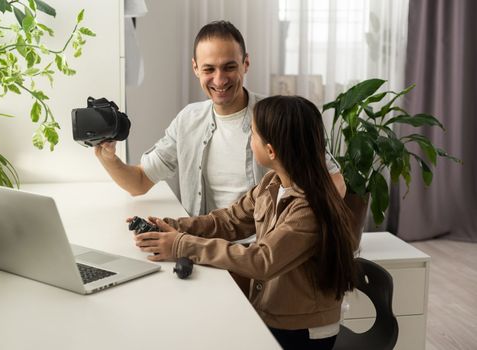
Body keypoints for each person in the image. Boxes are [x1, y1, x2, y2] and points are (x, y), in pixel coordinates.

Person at [133, 95, 359, 350]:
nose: (250, 141)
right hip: (274, 312)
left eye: (252, 135)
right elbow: (230, 220)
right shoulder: (272, 184)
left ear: (271, 150)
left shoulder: (309, 208)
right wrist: (174, 227)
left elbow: (261, 260)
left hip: (301, 331)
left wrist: (181, 246)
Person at [95, 20, 346, 218]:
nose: (219, 80)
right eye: (209, 69)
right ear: (195, 68)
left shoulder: (275, 116)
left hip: (265, 253)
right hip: (208, 247)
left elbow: (336, 182)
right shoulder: (187, 121)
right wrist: (108, 158)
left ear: (245, 63)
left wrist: (290, 224)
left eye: (229, 67)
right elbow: (138, 183)